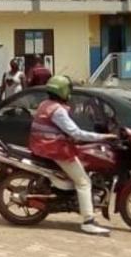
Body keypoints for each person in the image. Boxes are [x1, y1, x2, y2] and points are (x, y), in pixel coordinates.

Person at [29, 75, 116, 235]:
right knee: (83, 182)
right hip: (53, 148)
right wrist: (103, 137)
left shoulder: (45, 104)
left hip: (42, 145)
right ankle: (88, 221)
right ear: (63, 91)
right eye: (68, 89)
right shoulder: (58, 110)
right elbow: (75, 133)